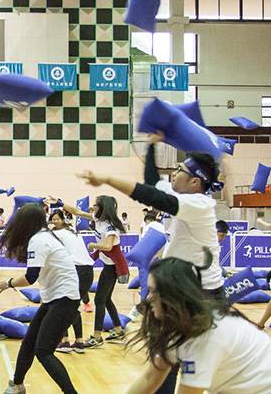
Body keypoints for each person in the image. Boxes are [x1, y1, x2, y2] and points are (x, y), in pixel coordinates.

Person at [79, 133, 225, 393]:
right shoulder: (181, 193)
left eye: (179, 170)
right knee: (164, 360)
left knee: (187, 365)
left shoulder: (200, 204)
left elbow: (151, 196)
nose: (174, 173)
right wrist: (151, 147)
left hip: (202, 295)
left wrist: (107, 179)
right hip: (179, 290)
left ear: (194, 181)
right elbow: (153, 182)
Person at [125, 250, 271, 394]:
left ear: (173, 295)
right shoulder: (179, 325)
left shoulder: (206, 336)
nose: (148, 299)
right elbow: (149, 378)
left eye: (153, 291)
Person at [0, 204, 80, 394]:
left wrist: (8, 283)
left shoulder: (39, 240)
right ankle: (17, 384)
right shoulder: (43, 236)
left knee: (43, 351)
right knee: (29, 342)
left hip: (64, 299)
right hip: (54, 299)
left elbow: (30, 277)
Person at [57, 195, 127, 347]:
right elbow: (77, 212)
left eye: (96, 205)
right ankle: (118, 329)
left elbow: (108, 246)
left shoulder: (111, 227)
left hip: (114, 267)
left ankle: (96, 336)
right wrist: (59, 202)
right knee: (106, 299)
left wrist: (93, 245)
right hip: (107, 264)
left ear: (104, 207)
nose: (93, 207)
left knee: (99, 300)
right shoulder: (99, 219)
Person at [48, 210, 93, 354]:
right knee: (73, 306)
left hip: (76, 270)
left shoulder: (57, 234)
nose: (54, 222)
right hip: (87, 271)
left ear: (62, 220)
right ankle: (78, 342)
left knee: (63, 305)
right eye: (52, 219)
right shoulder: (73, 231)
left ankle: (65, 341)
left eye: (56, 219)